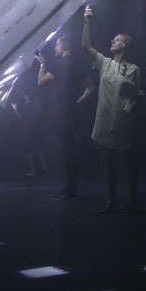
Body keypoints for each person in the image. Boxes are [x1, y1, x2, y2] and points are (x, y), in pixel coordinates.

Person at [82, 5, 144, 213]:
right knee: (109, 163)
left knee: (129, 162)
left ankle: (133, 200)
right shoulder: (104, 63)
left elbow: (139, 94)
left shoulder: (135, 70)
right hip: (105, 120)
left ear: (124, 45)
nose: (112, 41)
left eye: (116, 40)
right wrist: (87, 22)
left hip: (124, 122)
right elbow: (86, 47)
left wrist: (129, 109)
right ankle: (111, 201)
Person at [36, 35, 93, 200]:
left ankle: (70, 189)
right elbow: (91, 86)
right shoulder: (76, 65)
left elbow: (41, 82)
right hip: (74, 113)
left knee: (67, 151)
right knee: (68, 150)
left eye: (57, 45)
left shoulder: (59, 64)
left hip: (64, 114)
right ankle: (71, 187)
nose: (55, 48)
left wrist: (42, 63)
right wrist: (78, 101)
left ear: (65, 46)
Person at [11, 84, 47, 178]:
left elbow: (20, 118)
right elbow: (40, 114)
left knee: (29, 151)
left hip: (28, 131)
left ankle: (33, 171)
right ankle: (45, 168)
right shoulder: (37, 104)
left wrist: (15, 109)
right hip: (37, 130)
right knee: (39, 148)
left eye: (24, 94)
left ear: (27, 95)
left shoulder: (27, 106)